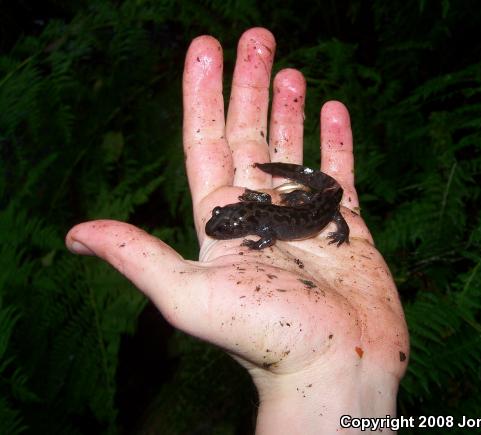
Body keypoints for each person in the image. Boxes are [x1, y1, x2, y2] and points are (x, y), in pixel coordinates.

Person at [66, 27, 409, 434]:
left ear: (241, 219)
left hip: (324, 204)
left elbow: (272, 225)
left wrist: (328, 226)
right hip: (309, 199)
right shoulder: (255, 210)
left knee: (327, 207)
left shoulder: (268, 222)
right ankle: (301, 185)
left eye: (224, 226)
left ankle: (310, 193)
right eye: (224, 225)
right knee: (313, 199)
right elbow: (260, 210)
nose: (220, 230)